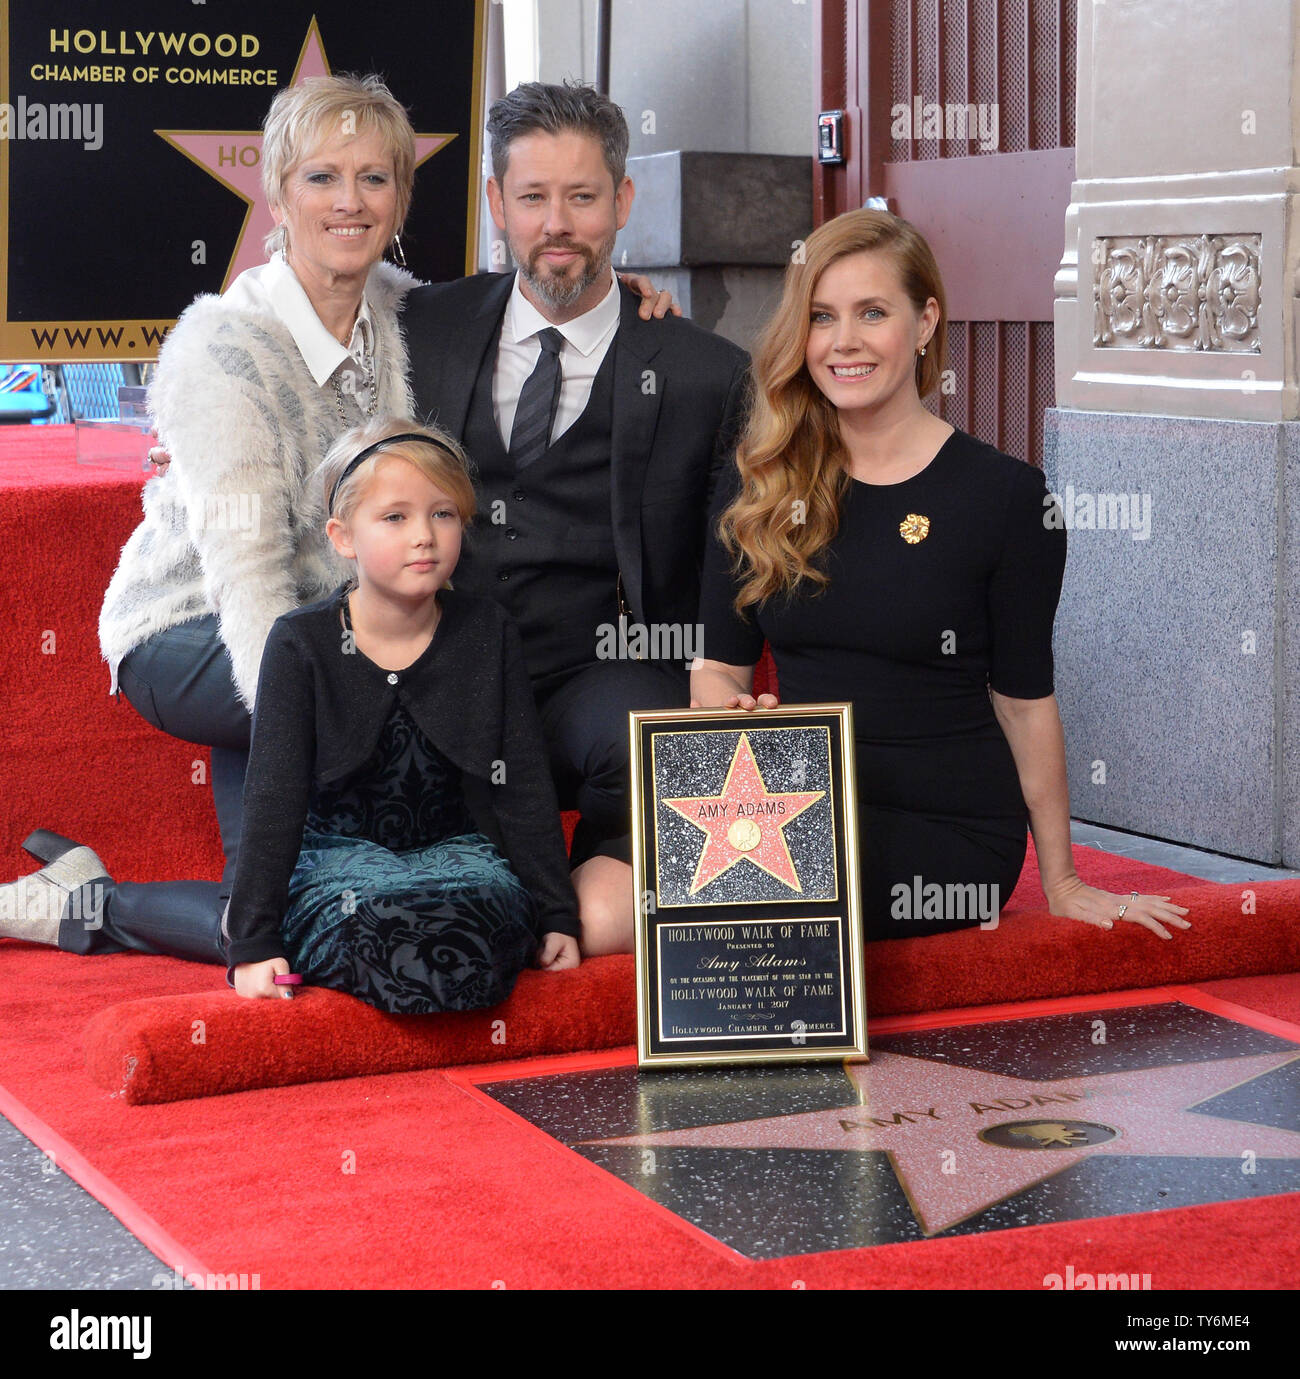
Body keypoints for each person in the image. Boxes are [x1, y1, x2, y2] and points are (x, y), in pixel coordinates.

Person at [0, 73, 668, 962]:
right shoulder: (222, 349)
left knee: (315, 919)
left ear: (401, 197)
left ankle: (105, 892)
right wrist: (346, 721)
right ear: (278, 192)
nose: (349, 203)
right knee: (280, 921)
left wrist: (623, 297)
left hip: (334, 631)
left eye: (375, 178)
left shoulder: (403, 311)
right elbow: (251, 585)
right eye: (322, 177)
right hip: (198, 629)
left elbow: (527, 303)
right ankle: (91, 906)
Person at [689, 209, 1192, 944]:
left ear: (925, 323)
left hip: (947, 834)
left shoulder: (1007, 497)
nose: (844, 342)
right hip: (795, 806)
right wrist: (729, 713)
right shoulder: (760, 488)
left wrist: (1063, 879)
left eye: (872, 313)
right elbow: (716, 672)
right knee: (663, 858)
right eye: (822, 317)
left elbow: (1025, 704)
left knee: (750, 877)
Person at [400, 82, 751, 957]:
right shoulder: (424, 325)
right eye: (532, 197)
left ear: (623, 202)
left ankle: (579, 889)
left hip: (605, 667)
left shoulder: (706, 370)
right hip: (448, 660)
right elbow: (310, 351)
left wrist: (718, 670)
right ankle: (491, 900)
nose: (557, 223)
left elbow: (732, 544)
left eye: (584, 197)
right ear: (496, 204)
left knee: (642, 748)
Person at [227, 418, 579, 1008]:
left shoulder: (486, 629)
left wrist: (555, 915)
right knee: (383, 928)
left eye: (443, 514)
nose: (425, 536)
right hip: (341, 866)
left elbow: (521, 784)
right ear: (343, 537)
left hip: (457, 859)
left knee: (474, 928)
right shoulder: (300, 642)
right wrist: (254, 943)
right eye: (395, 517)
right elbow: (273, 798)